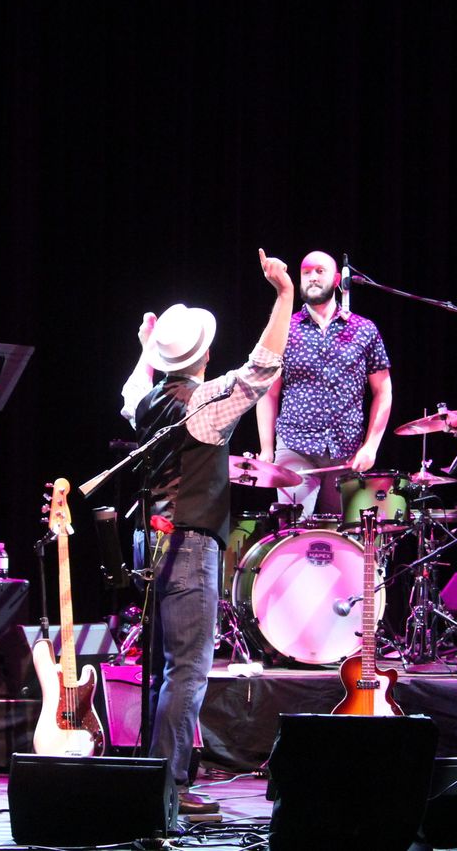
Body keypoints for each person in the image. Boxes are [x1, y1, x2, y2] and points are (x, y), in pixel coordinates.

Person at [121, 249, 294, 815]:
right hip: (190, 544)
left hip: (151, 541)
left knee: (166, 669)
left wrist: (145, 349)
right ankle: (168, 789)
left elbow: (129, 393)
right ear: (206, 354)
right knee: (188, 670)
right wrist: (284, 295)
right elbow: (261, 368)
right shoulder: (204, 404)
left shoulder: (147, 402)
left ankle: (160, 780)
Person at [255, 250, 392, 517]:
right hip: (295, 446)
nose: (313, 278)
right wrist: (266, 448)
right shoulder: (285, 329)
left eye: (320, 271)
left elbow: (383, 391)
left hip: (347, 451)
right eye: (306, 272)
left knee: (339, 536)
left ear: (337, 279)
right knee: (294, 532)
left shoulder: (364, 329)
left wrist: (371, 446)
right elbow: (269, 393)